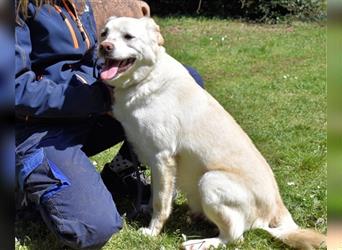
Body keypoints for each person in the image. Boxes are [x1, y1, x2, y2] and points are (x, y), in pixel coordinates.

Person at [15, 0, 204, 249]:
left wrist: (124, 74)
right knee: (95, 228)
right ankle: (28, 193)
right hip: (37, 129)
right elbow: (14, 89)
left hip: (84, 110)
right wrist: (99, 99)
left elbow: (91, 57)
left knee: (185, 83)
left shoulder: (77, 2)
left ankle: (119, 174)